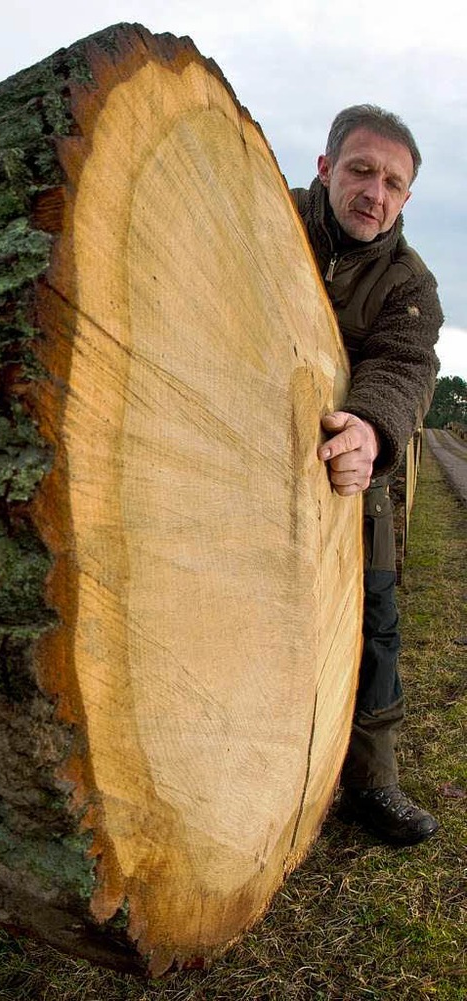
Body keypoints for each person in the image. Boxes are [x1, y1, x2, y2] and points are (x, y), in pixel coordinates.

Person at [291, 105, 444, 845]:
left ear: (407, 198)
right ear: (325, 168)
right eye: (360, 170)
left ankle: (372, 782)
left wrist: (371, 428)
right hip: (248, 455)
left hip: (360, 471)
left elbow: (405, 365)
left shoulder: (411, 282)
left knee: (376, 620)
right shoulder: (270, 219)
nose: (374, 192)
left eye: (393, 182)